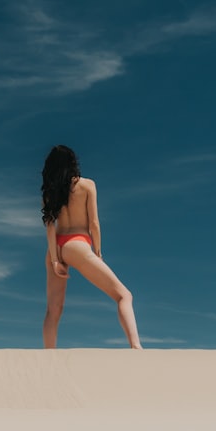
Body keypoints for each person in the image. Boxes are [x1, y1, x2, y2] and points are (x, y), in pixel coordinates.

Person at [41, 145, 142, 349]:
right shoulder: (87, 185)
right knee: (124, 295)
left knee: (53, 310)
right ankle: (136, 347)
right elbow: (94, 223)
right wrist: (97, 252)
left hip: (56, 246)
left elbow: (50, 226)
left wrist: (54, 259)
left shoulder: (51, 191)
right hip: (77, 244)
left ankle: (48, 356)